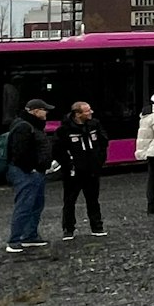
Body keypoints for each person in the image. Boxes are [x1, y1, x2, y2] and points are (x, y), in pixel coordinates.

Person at [4, 99, 54, 253]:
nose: (46, 112)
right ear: (34, 111)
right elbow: (19, 152)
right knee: (25, 205)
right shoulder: (25, 127)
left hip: (35, 171)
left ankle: (29, 236)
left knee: (35, 204)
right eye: (44, 109)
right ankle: (15, 240)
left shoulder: (29, 125)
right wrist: (30, 168)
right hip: (26, 173)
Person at [54, 101, 107, 240]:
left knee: (93, 200)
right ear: (77, 114)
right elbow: (58, 150)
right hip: (73, 172)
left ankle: (97, 227)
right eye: (87, 111)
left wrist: (99, 161)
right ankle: (68, 229)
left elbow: (103, 142)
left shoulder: (94, 125)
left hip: (92, 169)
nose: (91, 113)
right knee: (70, 201)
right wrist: (69, 164)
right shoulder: (64, 130)